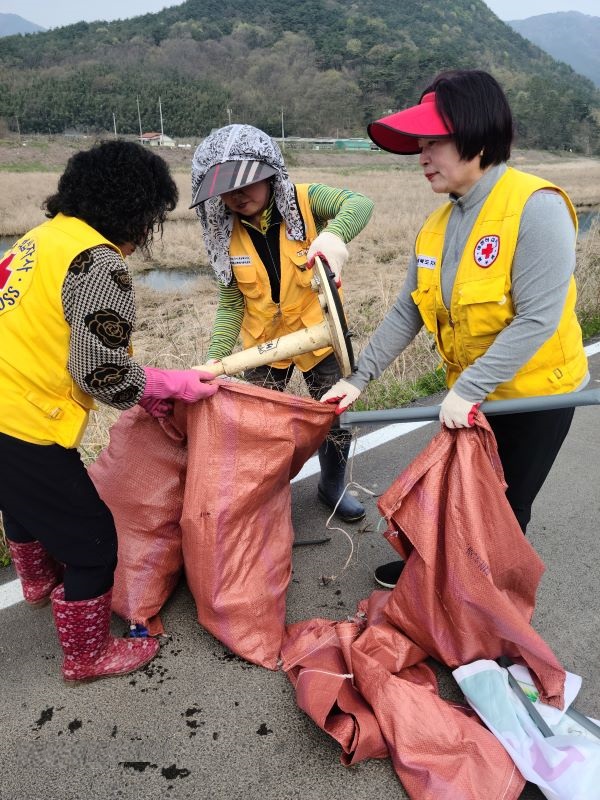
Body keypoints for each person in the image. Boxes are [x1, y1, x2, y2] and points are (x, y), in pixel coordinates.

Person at [320, 69, 588, 587]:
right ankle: (432, 575)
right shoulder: (437, 226)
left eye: (433, 143)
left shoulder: (537, 207)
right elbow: (408, 310)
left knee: (504, 507)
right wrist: (358, 377)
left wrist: (468, 388)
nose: (422, 156)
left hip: (535, 399)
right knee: (454, 492)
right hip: (472, 397)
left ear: (476, 135)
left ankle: (481, 604)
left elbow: (538, 318)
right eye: (420, 145)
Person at [0, 140, 219, 682]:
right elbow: (99, 372)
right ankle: (88, 655)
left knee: (21, 501)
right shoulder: (97, 261)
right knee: (93, 541)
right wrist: (170, 383)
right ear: (136, 211)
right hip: (23, 421)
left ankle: (37, 583)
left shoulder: (39, 240)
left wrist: (146, 391)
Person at [190, 124, 374, 522]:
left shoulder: (306, 200)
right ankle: (268, 501)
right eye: (226, 189)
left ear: (270, 172)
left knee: (335, 415)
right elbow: (231, 304)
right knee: (260, 427)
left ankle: (332, 486)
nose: (237, 196)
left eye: (245, 183)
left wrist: (333, 236)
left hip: (321, 338)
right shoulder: (224, 232)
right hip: (263, 345)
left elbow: (360, 204)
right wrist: (215, 359)